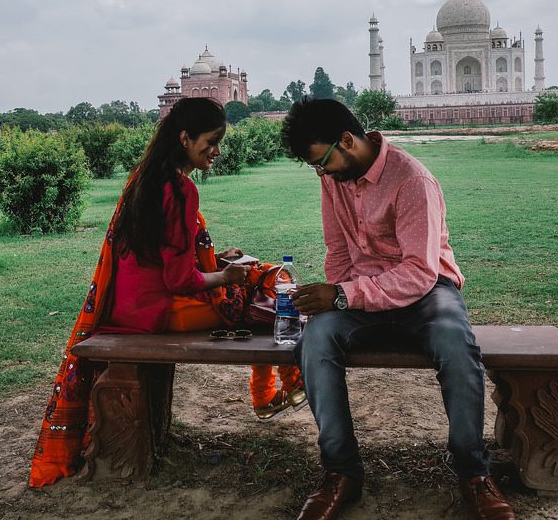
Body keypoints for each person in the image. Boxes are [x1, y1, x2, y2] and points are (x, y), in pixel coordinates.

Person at [29, 97, 299, 487]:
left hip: (131, 305)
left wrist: (215, 260)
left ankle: (272, 390)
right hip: (160, 311)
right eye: (212, 141)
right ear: (185, 138)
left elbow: (162, 255)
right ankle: (278, 387)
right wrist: (225, 278)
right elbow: (180, 281)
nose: (217, 151)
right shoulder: (180, 189)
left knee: (255, 283)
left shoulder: (144, 176)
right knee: (268, 292)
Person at [280, 98, 516, 520]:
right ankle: (342, 472)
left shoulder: (411, 180)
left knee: (455, 344)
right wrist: (336, 297)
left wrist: (340, 296)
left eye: (323, 163)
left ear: (347, 141)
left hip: (426, 292)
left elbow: (418, 274)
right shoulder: (335, 180)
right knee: (314, 339)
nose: (323, 173)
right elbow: (338, 249)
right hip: (361, 291)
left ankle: (473, 474)